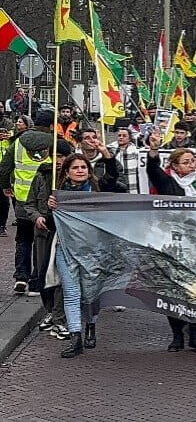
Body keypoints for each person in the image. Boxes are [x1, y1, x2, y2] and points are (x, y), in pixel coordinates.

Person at [146, 131, 196, 354]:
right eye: (186, 162)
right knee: (174, 290)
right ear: (175, 165)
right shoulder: (167, 183)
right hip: (174, 244)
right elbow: (152, 170)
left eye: (193, 161)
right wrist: (153, 149)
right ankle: (177, 334)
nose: (191, 165)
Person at [36, 152, 119, 358]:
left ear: (89, 171)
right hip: (66, 251)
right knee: (71, 294)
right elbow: (51, 225)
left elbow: (112, 176)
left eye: (83, 167)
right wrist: (50, 210)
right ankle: (76, 337)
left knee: (90, 293)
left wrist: (107, 156)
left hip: (93, 252)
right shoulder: (59, 196)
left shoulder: (97, 191)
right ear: (67, 172)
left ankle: (90, 325)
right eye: (75, 168)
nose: (80, 171)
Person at [23, 139, 75, 341]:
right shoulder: (42, 176)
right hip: (43, 234)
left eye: (62, 156)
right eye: (56, 156)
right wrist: (37, 217)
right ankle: (51, 310)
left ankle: (59, 316)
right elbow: (29, 204)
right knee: (43, 273)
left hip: (64, 235)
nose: (58, 160)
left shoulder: (71, 179)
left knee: (60, 276)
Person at [0, 109, 55, 295]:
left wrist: (5, 186)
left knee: (23, 239)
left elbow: (5, 167)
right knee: (41, 240)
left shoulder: (18, 142)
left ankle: (21, 277)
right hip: (46, 199)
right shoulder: (55, 142)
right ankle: (36, 280)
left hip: (22, 198)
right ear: (51, 125)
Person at [108, 128, 140, 193]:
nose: (121, 137)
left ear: (129, 138)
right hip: (115, 187)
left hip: (132, 187)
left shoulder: (136, 152)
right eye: (119, 135)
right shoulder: (110, 150)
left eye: (124, 136)